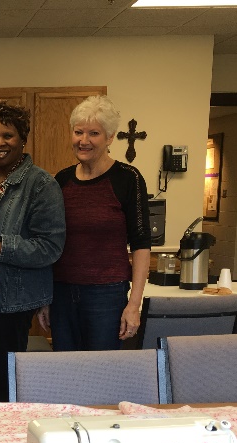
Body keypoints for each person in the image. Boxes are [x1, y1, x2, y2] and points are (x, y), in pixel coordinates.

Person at [0, 101, 66, 402]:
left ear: (22, 139)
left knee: (3, 386)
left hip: (10, 300)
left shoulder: (41, 185)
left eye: (8, 136)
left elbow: (50, 247)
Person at [39, 95, 151, 351]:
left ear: (110, 137)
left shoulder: (128, 178)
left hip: (107, 296)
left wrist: (133, 305)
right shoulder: (62, 180)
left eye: (94, 133)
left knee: (102, 373)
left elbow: (141, 244)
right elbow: (50, 243)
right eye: (78, 132)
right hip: (62, 294)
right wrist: (46, 299)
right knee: (66, 370)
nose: (84, 140)